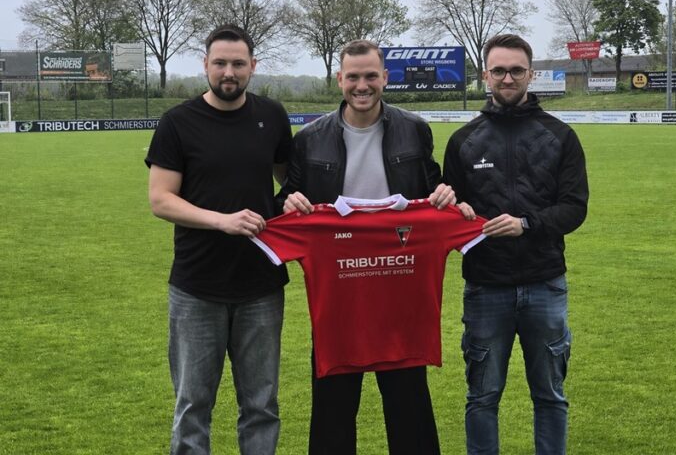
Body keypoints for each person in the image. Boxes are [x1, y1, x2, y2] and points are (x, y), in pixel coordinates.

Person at [279, 39, 456, 455]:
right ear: (339, 79)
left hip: (400, 289)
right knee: (333, 410)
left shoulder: (414, 129)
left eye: (371, 76)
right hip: (341, 295)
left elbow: (433, 191)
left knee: (410, 407)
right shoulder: (310, 138)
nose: (362, 85)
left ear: (385, 78)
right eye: (354, 77)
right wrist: (287, 203)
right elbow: (288, 199)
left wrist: (448, 196)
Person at [145, 24, 292, 455]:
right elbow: (161, 200)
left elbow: (290, 182)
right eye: (220, 63)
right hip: (197, 287)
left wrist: (293, 200)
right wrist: (221, 221)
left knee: (261, 405)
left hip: (261, 285)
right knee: (193, 405)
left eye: (238, 64)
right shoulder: (178, 122)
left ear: (253, 66)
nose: (229, 72)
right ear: (205, 65)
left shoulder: (272, 116)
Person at [442, 34, 589, 455]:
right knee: (482, 397)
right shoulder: (463, 141)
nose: (508, 78)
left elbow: (574, 208)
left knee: (550, 395)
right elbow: (449, 210)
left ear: (531, 74)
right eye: (500, 71)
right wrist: (455, 210)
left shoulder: (560, 136)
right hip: (485, 287)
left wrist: (526, 224)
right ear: (485, 74)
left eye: (517, 70)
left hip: (545, 284)